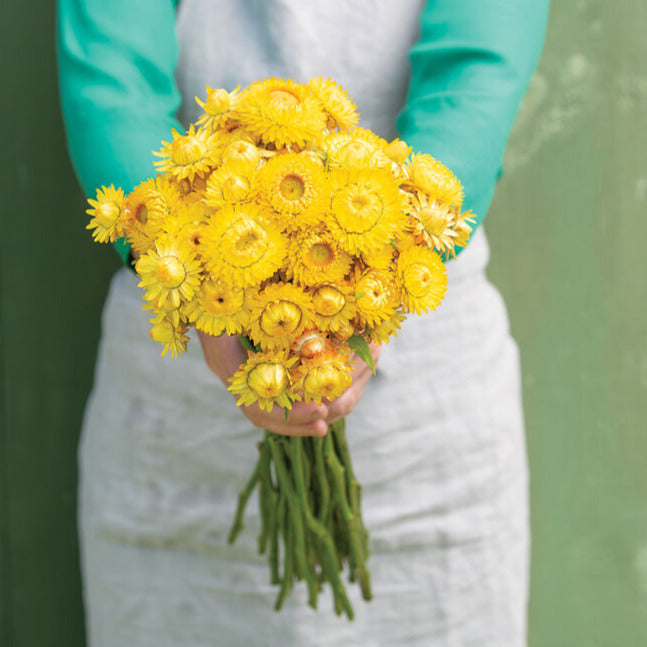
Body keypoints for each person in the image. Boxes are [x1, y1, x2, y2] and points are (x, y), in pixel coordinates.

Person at [58, 1, 549, 645]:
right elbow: (110, 73)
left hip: (422, 413)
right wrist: (201, 282)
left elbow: (478, 72)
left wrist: (376, 284)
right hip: (177, 390)